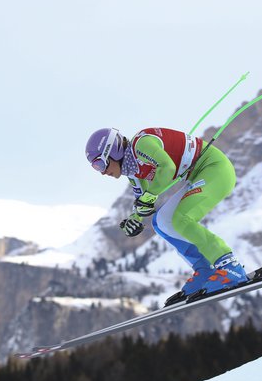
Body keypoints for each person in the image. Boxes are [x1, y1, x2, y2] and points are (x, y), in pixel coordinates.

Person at [85, 127, 247, 305]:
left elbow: (167, 168)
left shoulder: (141, 144)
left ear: (113, 151)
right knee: (161, 222)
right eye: (95, 168)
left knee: (181, 218)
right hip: (199, 175)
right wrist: (134, 219)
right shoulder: (132, 171)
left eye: (100, 164)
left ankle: (230, 266)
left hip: (215, 169)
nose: (101, 172)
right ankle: (205, 270)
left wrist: (149, 197)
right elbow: (143, 201)